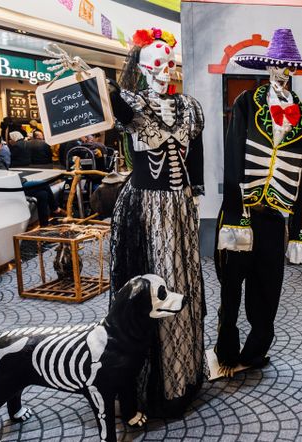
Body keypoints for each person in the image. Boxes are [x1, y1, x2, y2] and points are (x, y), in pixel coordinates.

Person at [214, 29, 302, 377]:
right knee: (231, 287)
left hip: (274, 217)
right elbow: (233, 156)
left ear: (296, 70)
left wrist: (301, 232)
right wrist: (235, 215)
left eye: (289, 66)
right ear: (267, 66)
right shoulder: (246, 103)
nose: (283, 71)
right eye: (278, 64)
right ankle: (225, 350)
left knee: (268, 289)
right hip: (243, 213)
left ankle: (255, 352)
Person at [107, 28, 205, 420]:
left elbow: (194, 157)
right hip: (148, 208)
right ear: (144, 68)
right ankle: (155, 382)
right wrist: (88, 84)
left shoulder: (189, 107)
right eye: (158, 63)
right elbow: (113, 106)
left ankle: (182, 374)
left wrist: (195, 194)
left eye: (170, 62)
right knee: (156, 283)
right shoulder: (132, 104)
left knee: (182, 281)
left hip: (180, 210)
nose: (166, 70)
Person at [0, 132, 65, 226]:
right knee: (43, 184)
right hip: (12, 188)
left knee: (43, 194)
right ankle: (55, 209)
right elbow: (4, 178)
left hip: (11, 186)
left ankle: (44, 225)